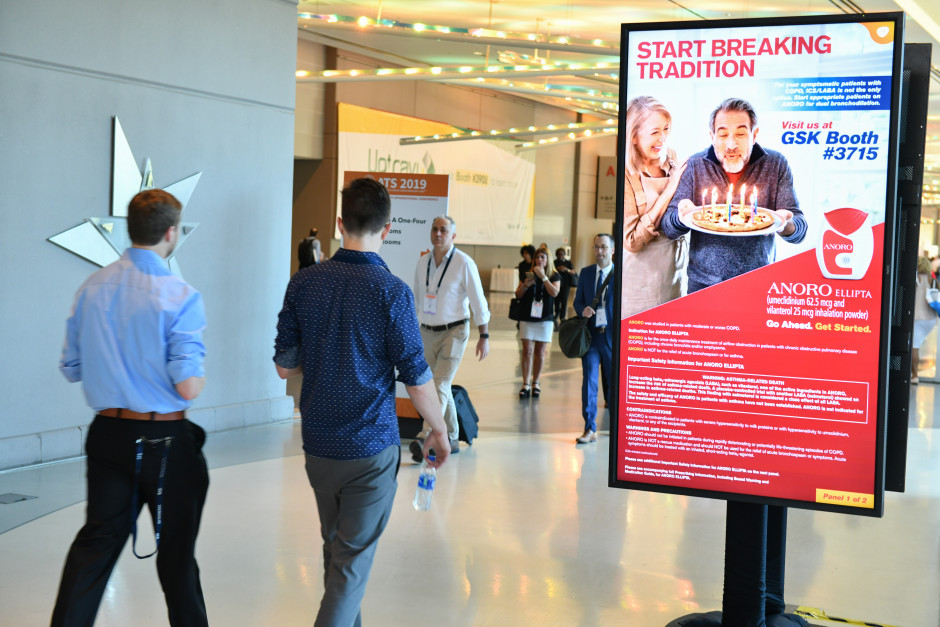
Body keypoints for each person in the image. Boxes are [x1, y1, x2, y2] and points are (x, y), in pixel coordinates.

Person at [274, 177, 449, 627]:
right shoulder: (391, 291)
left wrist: (325, 350)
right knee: (349, 566)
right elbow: (417, 378)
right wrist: (440, 429)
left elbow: (284, 367)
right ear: (387, 228)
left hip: (319, 445)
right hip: (370, 448)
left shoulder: (304, 283)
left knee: (336, 554)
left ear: (339, 223)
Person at [52, 189, 209, 627]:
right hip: (165, 440)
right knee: (177, 556)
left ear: (131, 228)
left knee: (95, 547)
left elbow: (71, 367)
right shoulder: (179, 294)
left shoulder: (91, 287)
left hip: (107, 434)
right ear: (171, 232)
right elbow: (189, 385)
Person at [660, 98, 807, 292]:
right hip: (703, 286)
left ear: (754, 135)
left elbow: (799, 231)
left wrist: (785, 224)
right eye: (722, 134)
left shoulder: (776, 164)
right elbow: (668, 228)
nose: (731, 144)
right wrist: (681, 216)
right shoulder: (695, 166)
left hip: (759, 284)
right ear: (712, 136)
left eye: (740, 134)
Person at [410, 215, 490, 461]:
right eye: (434, 229)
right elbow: (417, 301)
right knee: (436, 386)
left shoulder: (464, 263)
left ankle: (426, 435)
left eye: (443, 230)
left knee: (440, 384)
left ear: (453, 235)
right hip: (427, 331)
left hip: (454, 332)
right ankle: (453, 436)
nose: (438, 234)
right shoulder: (422, 263)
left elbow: (478, 301)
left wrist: (484, 335)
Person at [621, 96, 688, 318]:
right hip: (639, 285)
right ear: (633, 136)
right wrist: (669, 189)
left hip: (674, 275)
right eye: (654, 132)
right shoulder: (626, 174)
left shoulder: (672, 159)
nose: (663, 138)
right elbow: (631, 242)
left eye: (666, 129)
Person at [572, 234, 615, 443]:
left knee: (614, 384)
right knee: (589, 382)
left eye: (604, 247)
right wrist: (583, 310)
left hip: (612, 338)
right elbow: (577, 302)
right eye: (597, 247)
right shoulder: (586, 273)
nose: (600, 251)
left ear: (612, 250)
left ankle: (617, 428)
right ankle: (589, 428)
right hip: (591, 338)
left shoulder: (621, 274)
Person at [514, 248, 561, 398]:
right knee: (527, 351)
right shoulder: (527, 274)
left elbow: (555, 292)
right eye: (537, 257)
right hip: (527, 317)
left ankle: (536, 382)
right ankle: (526, 383)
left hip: (545, 318)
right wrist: (525, 285)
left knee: (540, 352)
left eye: (543, 257)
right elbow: (518, 294)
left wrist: (544, 278)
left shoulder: (553, 275)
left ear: (548, 259)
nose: (540, 260)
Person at [913, 255, 938, 383]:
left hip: (917, 318)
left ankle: (914, 375)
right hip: (930, 319)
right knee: (917, 343)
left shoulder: (915, 279)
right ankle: (913, 374)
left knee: (914, 346)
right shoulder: (933, 281)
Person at [553, 247, 576, 324]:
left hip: (566, 284)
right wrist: (557, 269)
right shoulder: (554, 262)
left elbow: (573, 272)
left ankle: (562, 317)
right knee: (556, 300)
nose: (560, 256)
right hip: (556, 283)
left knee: (564, 300)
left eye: (562, 254)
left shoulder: (568, 263)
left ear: (564, 255)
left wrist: (566, 269)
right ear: (556, 255)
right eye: (559, 255)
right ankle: (556, 314)